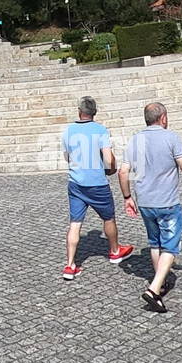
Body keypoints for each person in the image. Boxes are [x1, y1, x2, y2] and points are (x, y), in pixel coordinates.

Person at [119, 101, 182, 314]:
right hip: (167, 202)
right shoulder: (171, 138)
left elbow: (123, 172)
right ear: (164, 118)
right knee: (170, 245)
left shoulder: (135, 140)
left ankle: (160, 282)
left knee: (154, 242)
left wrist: (127, 197)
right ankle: (153, 290)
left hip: (145, 203)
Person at [60, 96, 133, 280]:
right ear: (94, 113)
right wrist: (109, 169)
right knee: (108, 217)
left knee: (75, 223)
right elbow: (108, 159)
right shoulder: (100, 130)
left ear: (79, 111)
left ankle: (70, 266)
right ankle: (115, 251)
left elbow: (67, 157)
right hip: (97, 183)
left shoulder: (68, 130)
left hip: (76, 183)